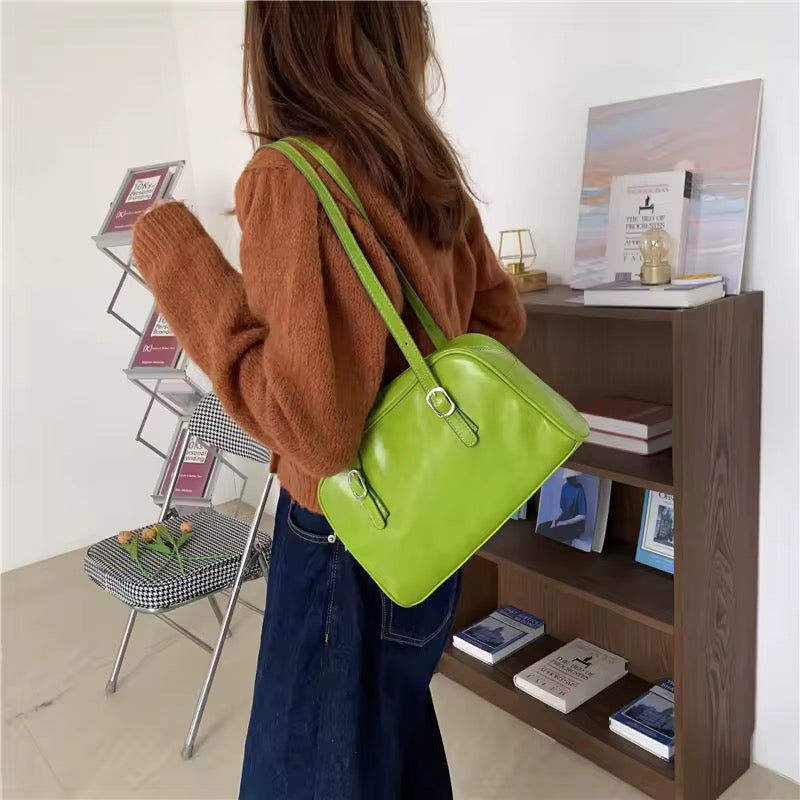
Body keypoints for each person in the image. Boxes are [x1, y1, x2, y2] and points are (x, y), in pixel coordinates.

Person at [131, 2, 525, 797]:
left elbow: (317, 429)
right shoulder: (424, 165)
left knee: (311, 769)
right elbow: (498, 322)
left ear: (280, 37)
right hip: (428, 526)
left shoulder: (291, 176)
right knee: (394, 735)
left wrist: (183, 269)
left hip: (344, 543)